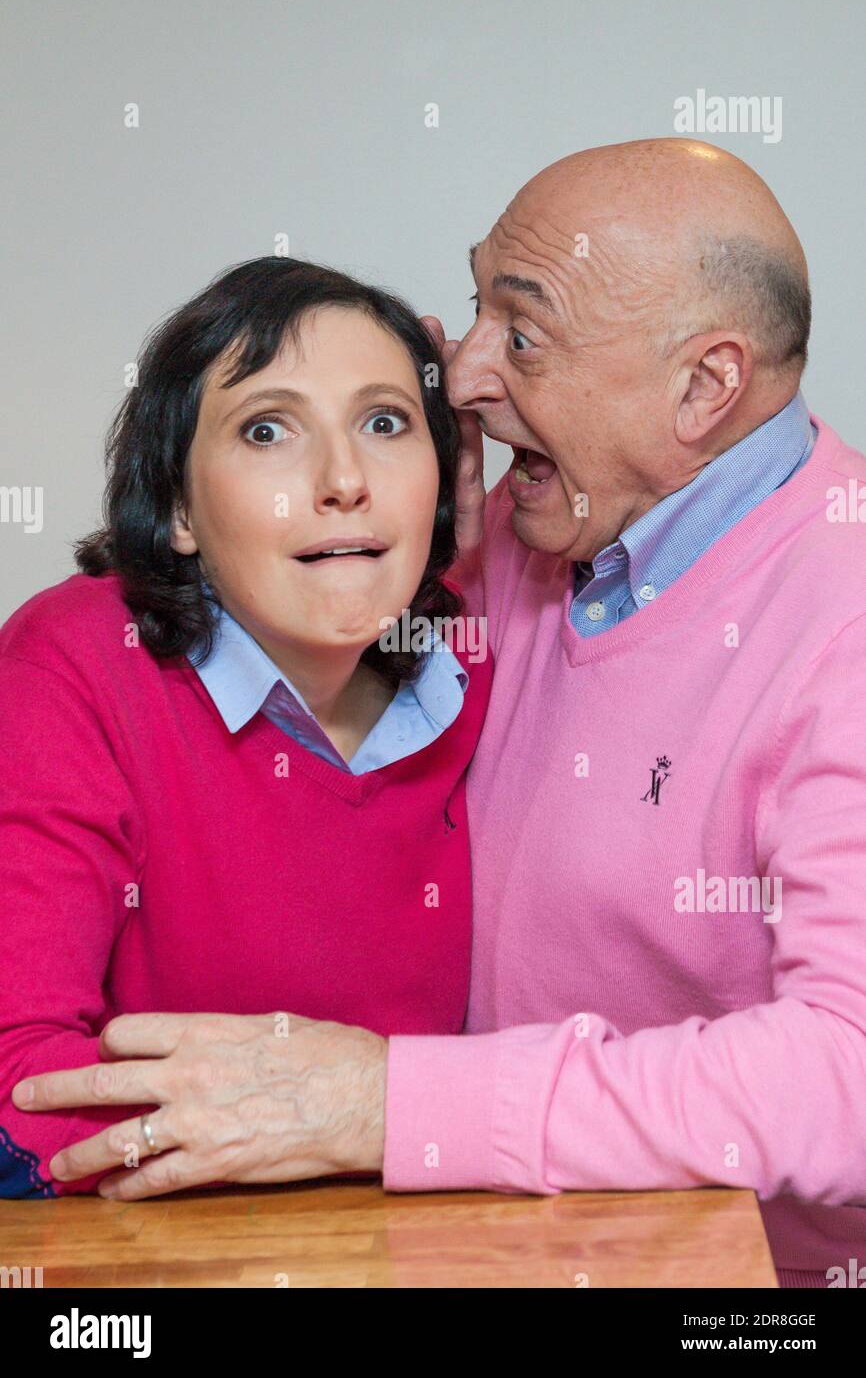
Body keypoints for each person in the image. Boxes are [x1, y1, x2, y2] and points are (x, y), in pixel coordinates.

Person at [18, 139, 866, 1292]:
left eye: (518, 334)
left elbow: (846, 1074)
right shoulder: (517, 555)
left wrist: (389, 1102)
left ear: (701, 389)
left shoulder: (836, 608)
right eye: (471, 313)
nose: (462, 377)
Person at [0, 255, 491, 1199]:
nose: (345, 479)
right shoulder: (79, 661)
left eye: (385, 424)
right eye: (268, 430)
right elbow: (19, 1076)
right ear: (180, 508)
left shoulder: (479, 656)